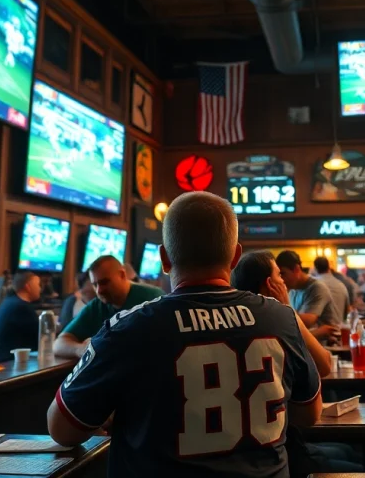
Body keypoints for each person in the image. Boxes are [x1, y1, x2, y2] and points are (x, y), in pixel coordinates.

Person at [48, 192, 322, 477]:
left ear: (165, 258)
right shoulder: (281, 317)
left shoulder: (127, 328)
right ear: (235, 257)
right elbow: (308, 414)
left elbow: (61, 428)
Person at [231, 251, 362, 477]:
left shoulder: (236, 323)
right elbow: (324, 366)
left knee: (347, 451)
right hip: (282, 453)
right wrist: (288, 310)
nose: (283, 281)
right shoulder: (277, 323)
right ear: (270, 284)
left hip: (249, 452)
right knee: (357, 461)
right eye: (279, 276)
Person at [53, 256, 164, 359]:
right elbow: (59, 344)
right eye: (95, 284)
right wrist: (81, 349)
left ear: (122, 275)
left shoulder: (153, 297)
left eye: (104, 282)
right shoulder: (97, 305)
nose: (99, 290)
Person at [276, 251, 341, 342]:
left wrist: (282, 305)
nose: (281, 279)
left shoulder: (316, 287)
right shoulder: (292, 289)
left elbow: (306, 322)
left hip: (329, 346)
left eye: (283, 273)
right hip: (308, 345)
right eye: (279, 275)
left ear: (296, 269)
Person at [0, 271, 41, 364]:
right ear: (28, 286)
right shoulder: (21, 307)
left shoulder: (10, 301)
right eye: (38, 285)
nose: (39, 288)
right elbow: (40, 338)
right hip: (3, 364)